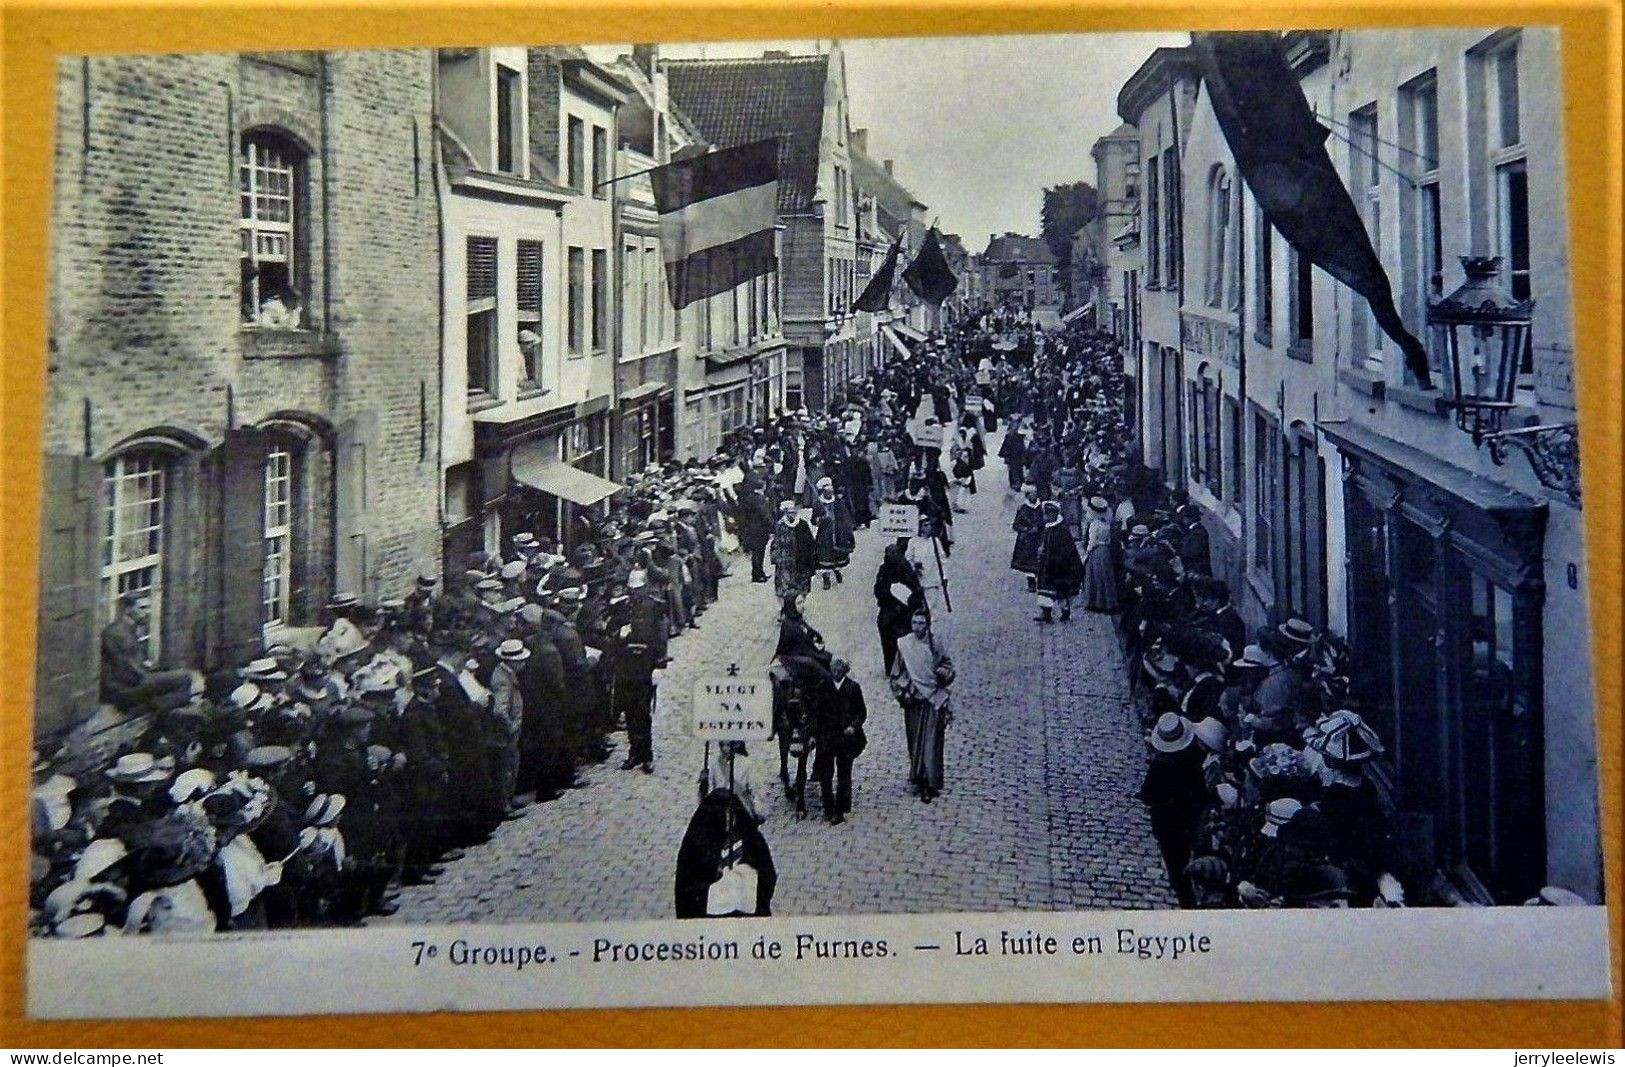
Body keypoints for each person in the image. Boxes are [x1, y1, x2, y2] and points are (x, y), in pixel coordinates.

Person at [888, 609, 955, 802]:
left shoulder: (936, 645)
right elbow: (895, 673)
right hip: (913, 700)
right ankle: (917, 775)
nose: (917, 627)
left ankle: (929, 782)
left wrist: (942, 673)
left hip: (933, 699)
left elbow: (949, 667)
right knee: (915, 740)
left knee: (931, 742)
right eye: (914, 622)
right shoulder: (904, 645)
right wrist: (903, 690)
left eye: (921, 623)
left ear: (927, 625)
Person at [100, 591, 198, 714]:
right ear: (127, 610)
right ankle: (149, 709)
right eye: (142, 608)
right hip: (121, 691)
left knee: (177, 686)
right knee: (184, 678)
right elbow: (129, 671)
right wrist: (154, 678)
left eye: (148, 607)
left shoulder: (125, 629)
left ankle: (157, 708)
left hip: (127, 684)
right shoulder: (118, 634)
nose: (146, 612)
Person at [811, 658, 867, 824]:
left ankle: (840, 810)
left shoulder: (853, 688)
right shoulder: (823, 686)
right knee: (825, 774)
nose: (835, 674)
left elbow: (861, 712)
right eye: (833, 671)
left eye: (838, 672)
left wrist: (853, 726)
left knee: (844, 774)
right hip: (826, 736)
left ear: (844, 672)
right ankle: (828, 807)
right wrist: (814, 733)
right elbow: (816, 711)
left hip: (845, 738)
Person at [874, 539, 926, 674]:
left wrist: (907, 602)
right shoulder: (884, 570)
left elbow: (916, 590)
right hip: (889, 609)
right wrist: (892, 601)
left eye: (894, 553)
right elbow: (879, 591)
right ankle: (891, 667)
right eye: (889, 554)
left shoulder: (906, 569)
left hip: (906, 611)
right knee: (886, 631)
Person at [1033, 500, 1085, 624]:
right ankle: (1046, 613)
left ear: (1054, 515)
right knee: (1045, 590)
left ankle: (1065, 613)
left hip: (1059, 567)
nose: (1046, 517)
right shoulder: (1047, 529)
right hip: (1046, 565)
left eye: (1048, 514)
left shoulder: (1062, 531)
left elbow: (1068, 550)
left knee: (1061, 592)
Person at [1078, 495, 1121, 613]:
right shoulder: (1106, 524)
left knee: (1095, 576)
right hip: (1105, 551)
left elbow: (1092, 541)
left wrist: (1086, 554)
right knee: (1105, 577)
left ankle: (1095, 602)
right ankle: (1107, 602)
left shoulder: (1094, 524)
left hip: (1096, 551)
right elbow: (1108, 540)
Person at [769, 500, 816, 602]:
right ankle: (786, 609)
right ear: (785, 512)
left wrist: (812, 557)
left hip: (802, 560)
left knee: (802, 585)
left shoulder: (802, 524)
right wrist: (776, 558)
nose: (792, 514)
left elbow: (810, 541)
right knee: (786, 587)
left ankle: (799, 605)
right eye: (789, 512)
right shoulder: (780, 526)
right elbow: (776, 543)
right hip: (786, 562)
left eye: (794, 512)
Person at [736, 479, 775, 584]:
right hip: (760, 529)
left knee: (756, 553)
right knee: (759, 552)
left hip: (751, 529)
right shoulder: (760, 499)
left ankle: (758, 573)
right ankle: (758, 575)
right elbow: (765, 515)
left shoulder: (748, 498)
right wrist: (773, 526)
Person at [1010, 483, 1044, 590]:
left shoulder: (1041, 507)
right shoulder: (1023, 509)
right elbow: (1016, 525)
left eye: (1035, 493)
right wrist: (1026, 530)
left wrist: (1039, 528)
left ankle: (1040, 580)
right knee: (1028, 562)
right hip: (1026, 540)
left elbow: (1045, 521)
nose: (1034, 496)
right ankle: (1031, 583)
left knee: (1040, 559)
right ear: (1027, 495)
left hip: (1039, 538)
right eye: (1032, 494)